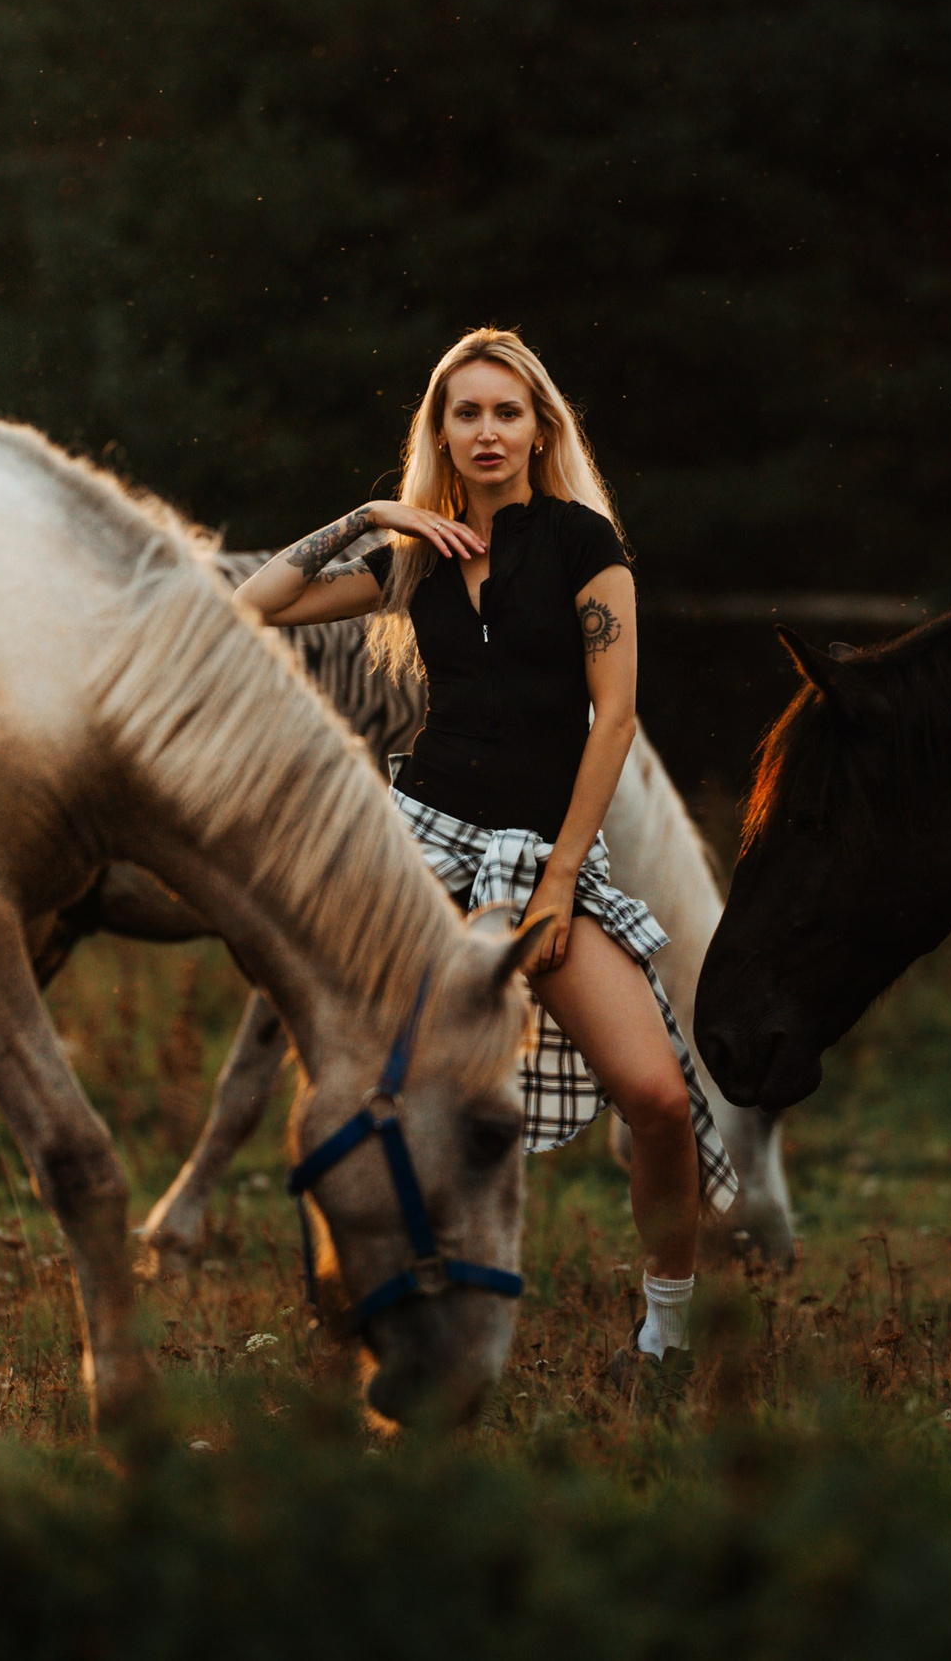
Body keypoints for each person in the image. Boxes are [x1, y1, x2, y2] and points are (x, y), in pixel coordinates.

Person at [236, 327, 735, 1366]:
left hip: (545, 856)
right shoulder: (415, 558)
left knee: (653, 1095)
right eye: (465, 412)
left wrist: (560, 881)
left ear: (539, 427)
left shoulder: (584, 547)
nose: (486, 431)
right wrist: (371, 513)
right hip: (418, 844)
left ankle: (668, 1336)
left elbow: (615, 720)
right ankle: (368, 1300)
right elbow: (250, 606)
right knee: (373, 1085)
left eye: (506, 411)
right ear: (441, 431)